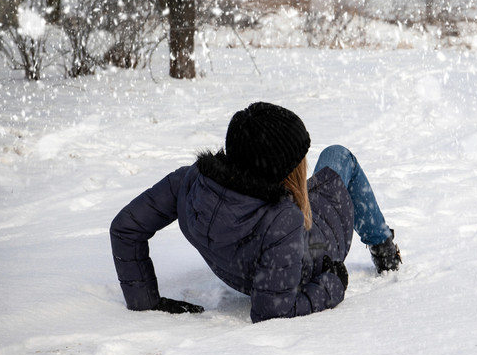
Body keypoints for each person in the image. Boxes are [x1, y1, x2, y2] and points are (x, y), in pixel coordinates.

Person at [110, 102, 401, 323]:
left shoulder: (190, 183)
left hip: (261, 261)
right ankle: (384, 248)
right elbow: (272, 313)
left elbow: (126, 228)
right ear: (283, 171)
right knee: (338, 155)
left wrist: (145, 300)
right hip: (318, 251)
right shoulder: (283, 222)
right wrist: (332, 283)